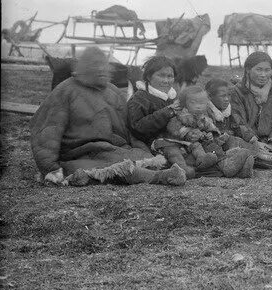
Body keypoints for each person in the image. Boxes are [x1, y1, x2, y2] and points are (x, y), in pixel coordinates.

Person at [30, 46, 185, 187]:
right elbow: (48, 130)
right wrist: (50, 168)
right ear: (83, 66)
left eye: (103, 65)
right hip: (77, 152)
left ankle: (159, 172)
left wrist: (141, 149)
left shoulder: (112, 91)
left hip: (111, 148)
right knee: (120, 168)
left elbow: (127, 128)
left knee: (143, 159)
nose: (100, 69)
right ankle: (160, 177)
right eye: (94, 65)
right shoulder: (66, 90)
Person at [158, 85, 254, 178]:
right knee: (209, 148)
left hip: (203, 147)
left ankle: (241, 171)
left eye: (202, 103)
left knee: (216, 144)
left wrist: (212, 134)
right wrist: (190, 134)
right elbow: (175, 130)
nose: (198, 106)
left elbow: (212, 129)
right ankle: (226, 165)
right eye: (193, 103)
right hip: (186, 148)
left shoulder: (204, 117)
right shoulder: (179, 116)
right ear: (184, 103)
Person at [204, 78, 272, 169]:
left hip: (231, 144)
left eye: (229, 95)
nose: (227, 99)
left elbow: (239, 126)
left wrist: (252, 139)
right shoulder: (205, 113)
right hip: (215, 147)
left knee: (249, 145)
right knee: (236, 143)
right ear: (210, 97)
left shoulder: (229, 110)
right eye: (222, 96)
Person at [126, 55, 182, 147]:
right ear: (148, 76)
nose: (166, 81)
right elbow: (137, 128)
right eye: (161, 75)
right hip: (150, 144)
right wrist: (167, 112)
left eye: (170, 76)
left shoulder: (172, 97)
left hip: (173, 140)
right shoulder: (139, 99)